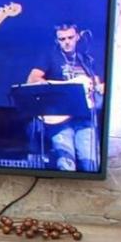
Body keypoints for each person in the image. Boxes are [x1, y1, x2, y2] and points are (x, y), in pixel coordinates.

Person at [26, 22, 104, 172]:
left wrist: (100, 87)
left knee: (90, 163)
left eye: (70, 37)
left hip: (84, 118)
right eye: (62, 39)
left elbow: (98, 83)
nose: (67, 42)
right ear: (57, 40)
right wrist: (54, 86)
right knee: (66, 163)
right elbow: (32, 79)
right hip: (60, 119)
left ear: (78, 37)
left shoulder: (86, 60)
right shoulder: (50, 57)